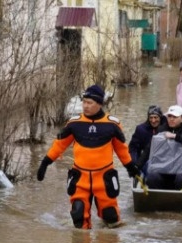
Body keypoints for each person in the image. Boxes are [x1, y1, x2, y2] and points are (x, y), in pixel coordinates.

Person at [36, 84, 140, 229]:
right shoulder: (74, 123)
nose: (85, 106)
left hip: (104, 177)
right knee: (78, 216)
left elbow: (121, 149)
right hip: (80, 177)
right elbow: (59, 145)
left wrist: (131, 167)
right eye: (84, 102)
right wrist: (45, 163)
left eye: (89, 103)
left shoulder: (112, 124)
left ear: (99, 104)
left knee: (111, 218)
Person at [137, 105, 182, 190]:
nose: (171, 119)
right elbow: (149, 148)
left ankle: (180, 199)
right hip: (164, 168)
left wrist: (175, 136)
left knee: (181, 178)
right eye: (169, 116)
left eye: (175, 117)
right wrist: (137, 166)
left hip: (181, 168)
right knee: (152, 177)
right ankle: (158, 199)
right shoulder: (162, 129)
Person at [128, 105, 166, 173]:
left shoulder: (167, 127)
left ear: (160, 117)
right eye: (151, 118)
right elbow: (133, 149)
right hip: (146, 161)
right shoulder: (141, 129)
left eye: (156, 117)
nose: (153, 121)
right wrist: (135, 163)